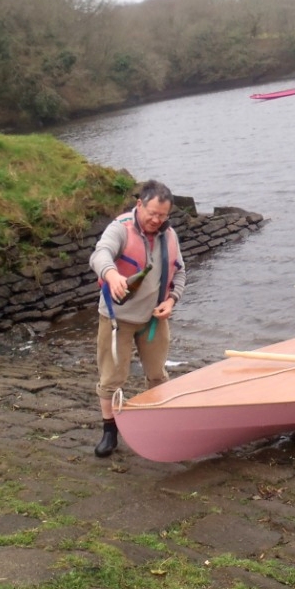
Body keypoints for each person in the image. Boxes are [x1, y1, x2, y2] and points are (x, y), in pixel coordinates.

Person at [89, 180, 186, 457]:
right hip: (117, 319)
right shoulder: (120, 228)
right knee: (111, 378)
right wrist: (111, 274)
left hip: (154, 319)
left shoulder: (169, 235)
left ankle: (159, 423)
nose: (157, 220)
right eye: (152, 213)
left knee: (157, 374)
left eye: (163, 215)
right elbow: (100, 254)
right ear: (140, 204)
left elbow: (180, 271)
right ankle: (109, 431)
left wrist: (171, 300)